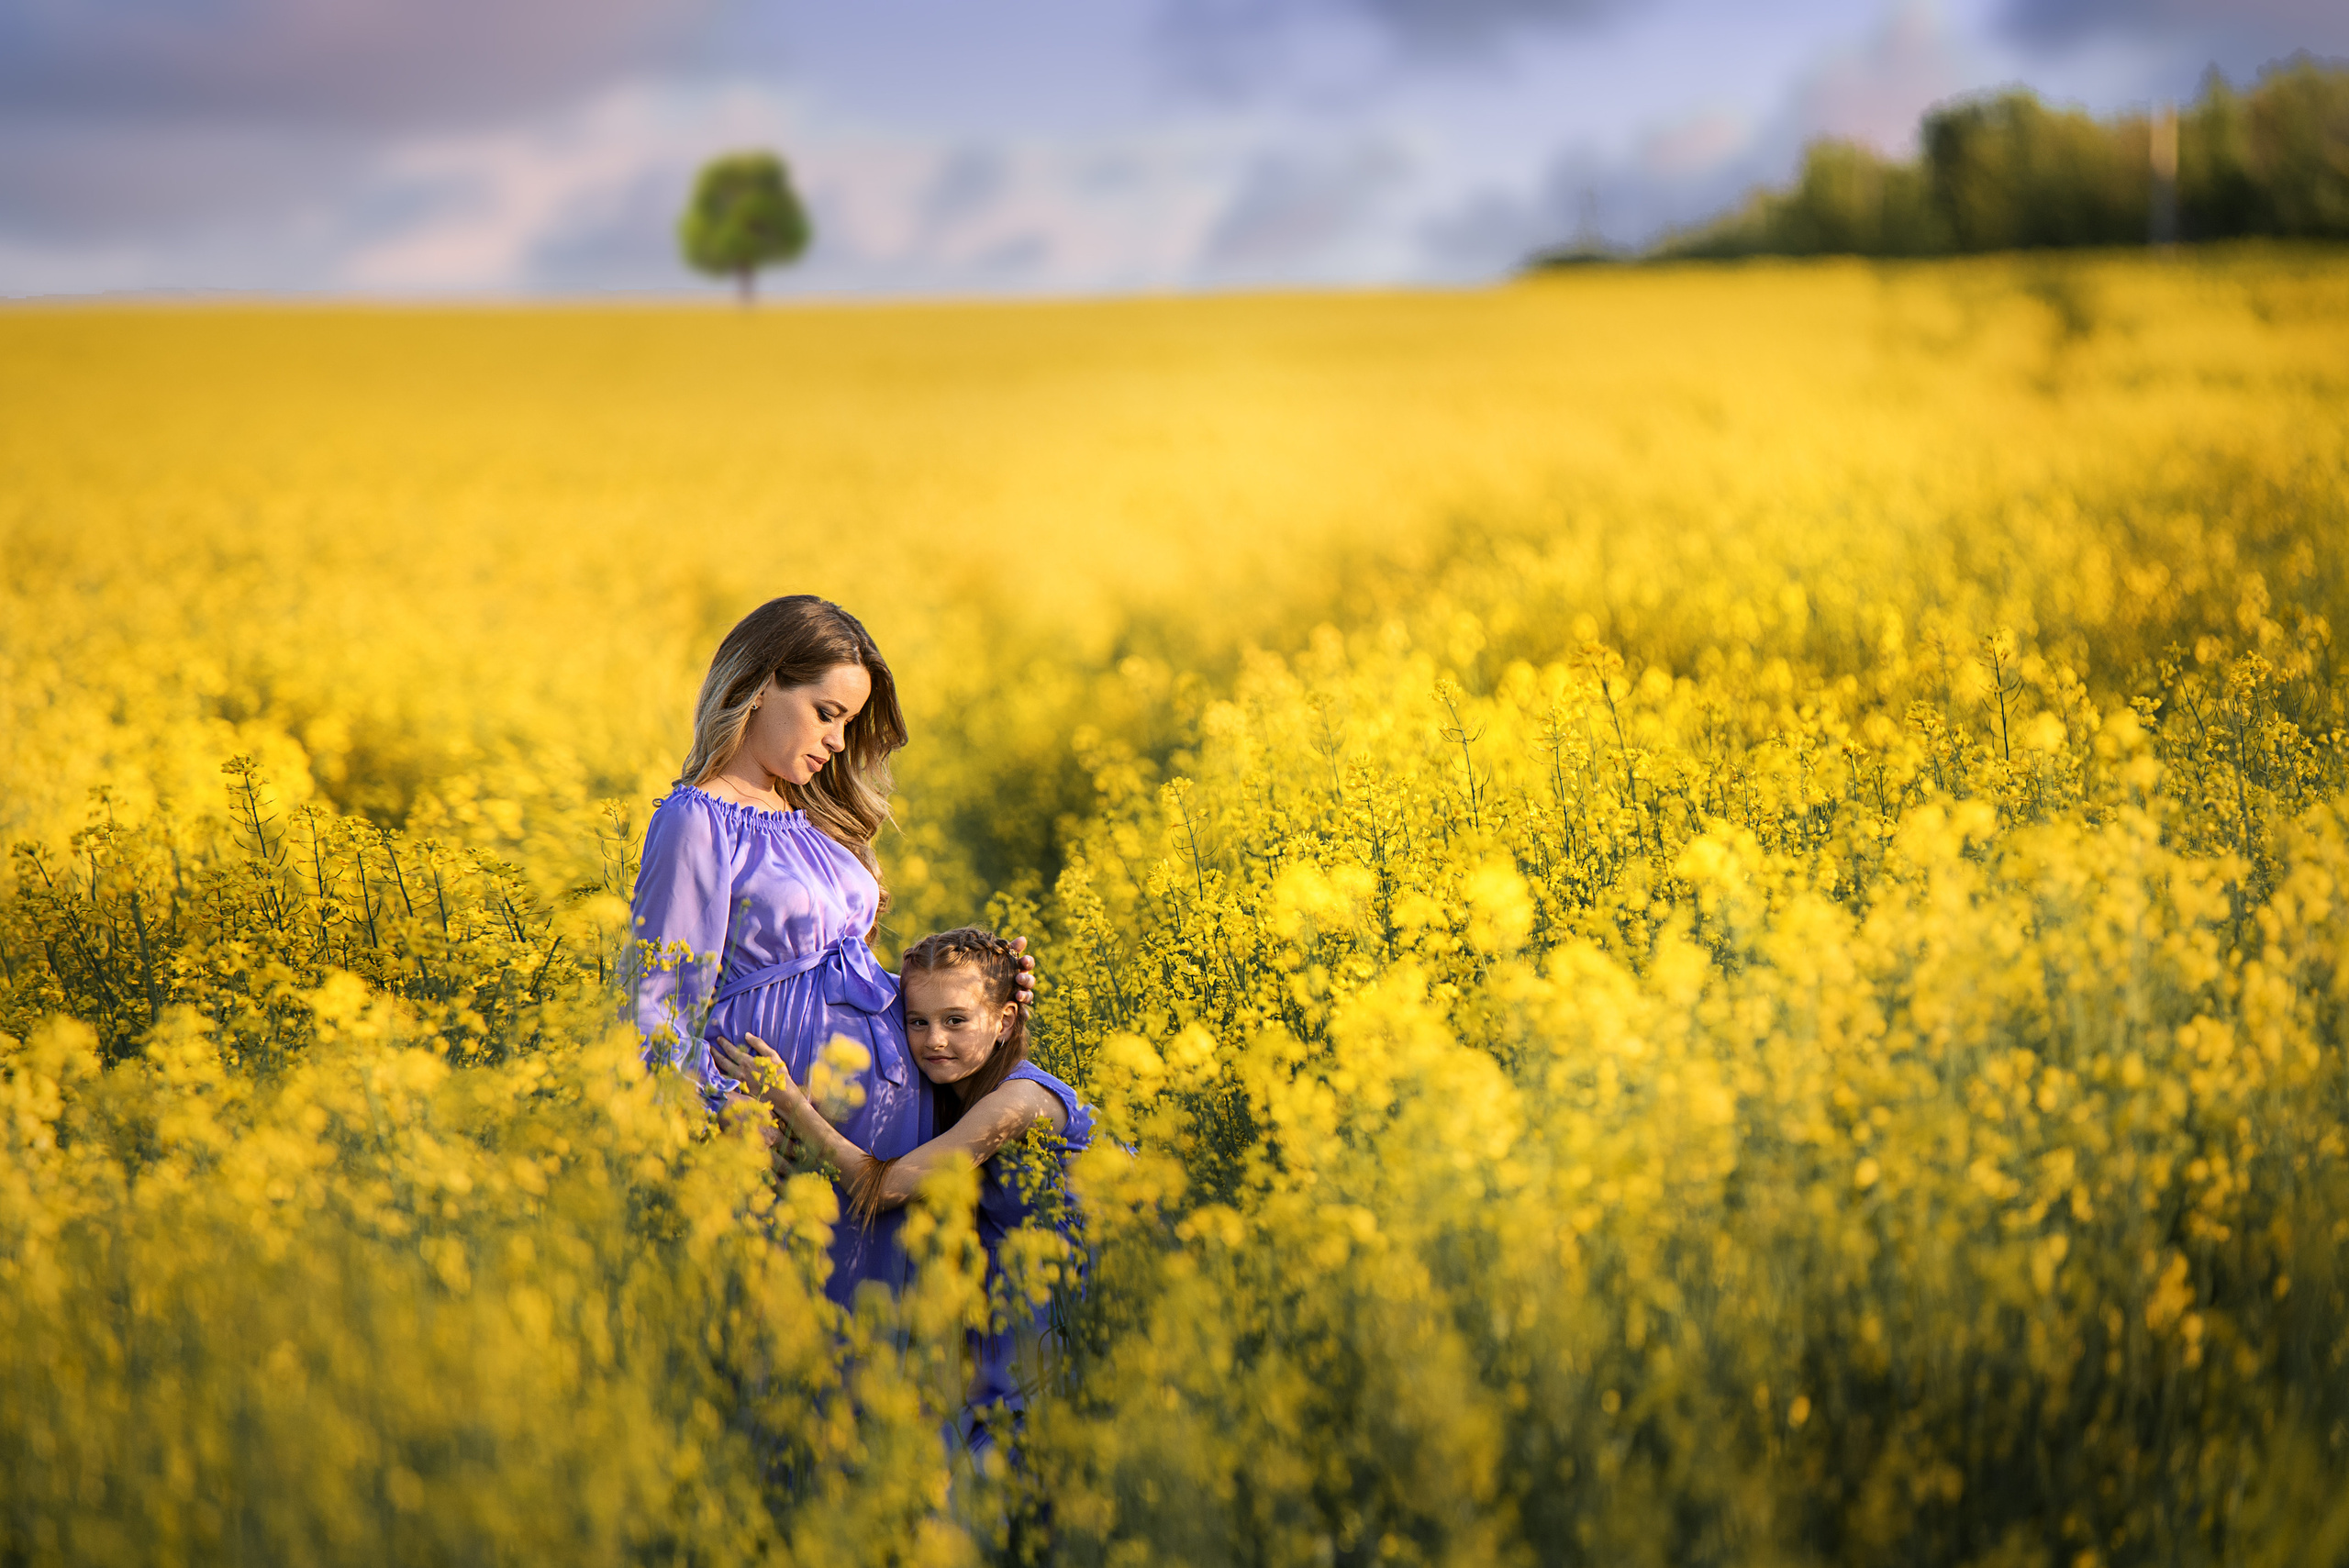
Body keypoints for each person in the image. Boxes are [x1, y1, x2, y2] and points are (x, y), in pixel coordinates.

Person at [628, 595, 1031, 1307]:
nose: (840, 742)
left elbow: (859, 972)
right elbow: (657, 1006)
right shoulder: (697, 820)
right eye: (827, 713)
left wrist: (980, 988)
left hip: (883, 1137)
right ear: (758, 687)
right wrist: (729, 1120)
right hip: (789, 1141)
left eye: (848, 722)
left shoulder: (812, 818)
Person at [715, 926, 1093, 1455]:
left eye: (956, 1021)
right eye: (917, 1022)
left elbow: (888, 1188)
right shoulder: (944, 1096)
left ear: (1005, 1021)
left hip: (1078, 1309)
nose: (933, 1039)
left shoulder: (1022, 1101)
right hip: (1014, 1309)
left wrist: (791, 1103)